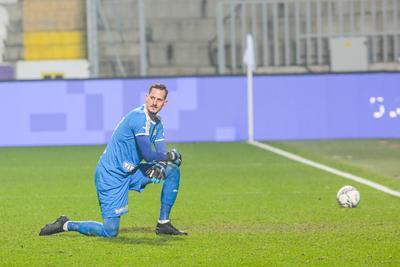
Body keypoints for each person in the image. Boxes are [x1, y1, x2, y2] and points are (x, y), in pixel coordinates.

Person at [39, 83, 187, 237]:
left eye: (159, 100)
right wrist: (170, 157)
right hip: (111, 175)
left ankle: (163, 223)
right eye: (152, 98)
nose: (154, 102)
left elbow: (161, 152)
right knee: (110, 231)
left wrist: (163, 164)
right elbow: (150, 155)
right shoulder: (139, 119)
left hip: (132, 172)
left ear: (165, 103)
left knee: (172, 169)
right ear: (146, 97)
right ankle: (66, 224)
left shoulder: (157, 123)